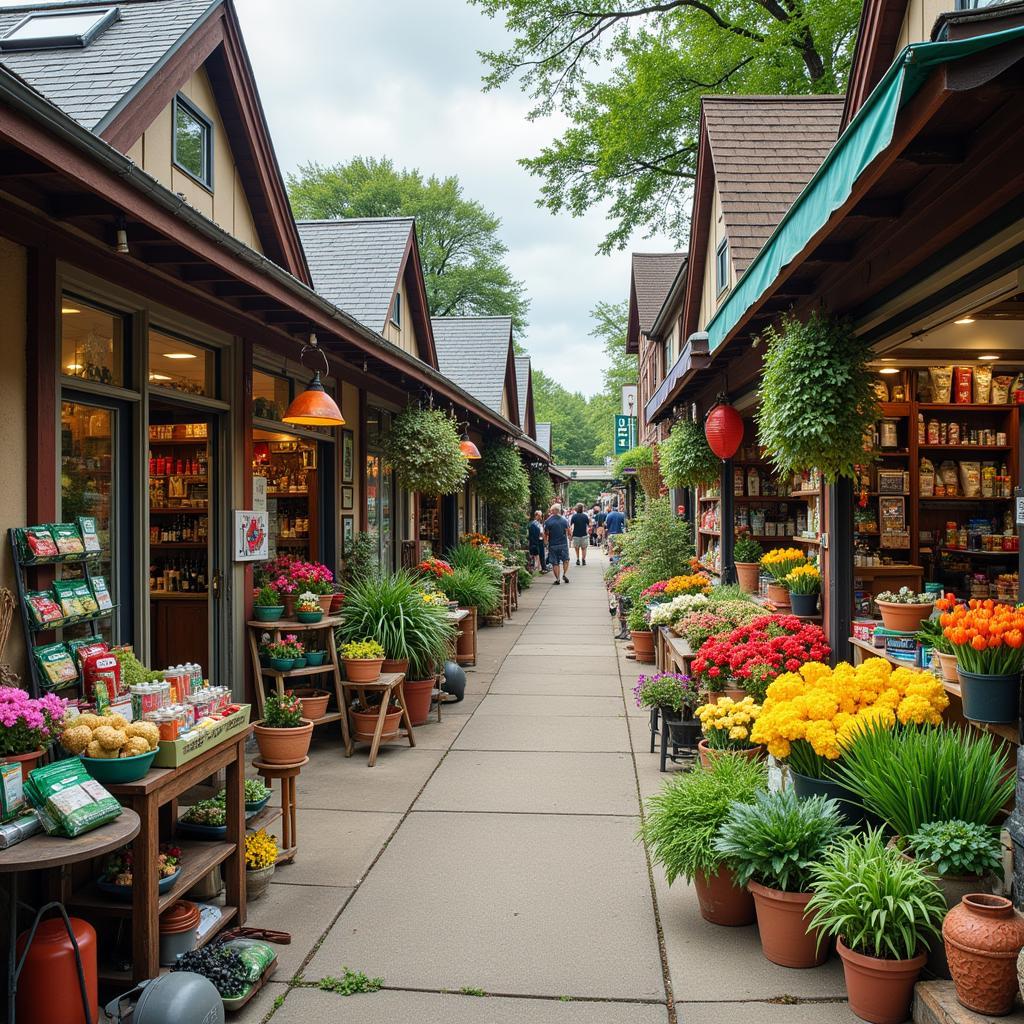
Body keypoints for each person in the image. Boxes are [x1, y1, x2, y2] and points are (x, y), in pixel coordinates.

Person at [544, 503, 571, 585]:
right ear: (558, 511)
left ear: (553, 511)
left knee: (555, 563)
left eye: (551, 510)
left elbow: (546, 533)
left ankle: (558, 579)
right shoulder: (564, 520)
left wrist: (546, 542)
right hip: (563, 544)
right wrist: (569, 538)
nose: (550, 512)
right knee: (566, 560)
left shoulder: (548, 521)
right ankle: (564, 574)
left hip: (553, 544)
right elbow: (569, 531)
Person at [570, 502, 591, 566]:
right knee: (584, 548)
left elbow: (571, 526)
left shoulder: (574, 516)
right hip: (584, 534)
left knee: (577, 548)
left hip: (576, 534)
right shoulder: (585, 516)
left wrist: (570, 534)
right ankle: (583, 559)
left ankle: (578, 559)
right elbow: (589, 525)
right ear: (582, 509)